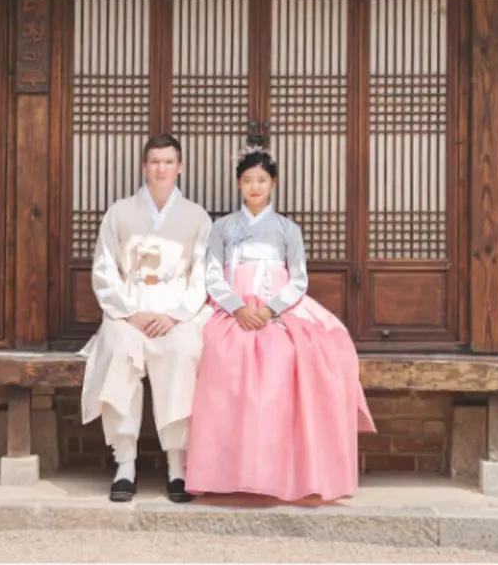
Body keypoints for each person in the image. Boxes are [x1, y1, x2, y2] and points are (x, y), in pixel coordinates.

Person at [186, 146, 375, 501]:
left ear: (273, 183)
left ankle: (282, 471)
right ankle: (226, 470)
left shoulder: (288, 229)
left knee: (292, 356)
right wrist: (238, 308)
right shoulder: (223, 227)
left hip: (278, 310)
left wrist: (271, 310)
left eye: (261, 179)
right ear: (238, 184)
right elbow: (212, 275)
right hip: (233, 310)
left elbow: (299, 279)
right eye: (247, 180)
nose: (254, 187)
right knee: (222, 360)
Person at [80, 134, 212, 503]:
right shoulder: (120, 212)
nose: (161, 168)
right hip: (130, 308)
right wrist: (128, 312)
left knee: (183, 354)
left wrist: (176, 315)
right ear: (144, 166)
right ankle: (125, 463)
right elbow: (104, 268)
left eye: (168, 162)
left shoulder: (196, 216)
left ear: (180, 167)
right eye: (154, 161)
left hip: (175, 312)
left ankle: (177, 465)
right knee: (119, 351)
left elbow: (202, 273)